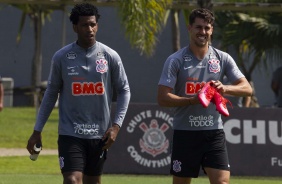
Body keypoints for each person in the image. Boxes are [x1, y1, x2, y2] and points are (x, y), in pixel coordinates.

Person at [26, 3, 130, 184]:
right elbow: (51, 94)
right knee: (72, 180)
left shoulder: (110, 56)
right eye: (84, 25)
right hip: (70, 134)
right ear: (75, 27)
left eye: (93, 24)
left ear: (97, 25)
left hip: (99, 135)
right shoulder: (62, 57)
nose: (89, 29)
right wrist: (37, 130)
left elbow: (124, 90)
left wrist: (116, 126)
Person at [157, 8, 252, 184]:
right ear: (189, 28)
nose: (203, 32)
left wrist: (224, 88)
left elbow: (247, 88)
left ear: (212, 30)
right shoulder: (176, 60)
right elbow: (162, 98)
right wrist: (192, 100)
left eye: (207, 28)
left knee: (222, 182)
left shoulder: (222, 58)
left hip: (213, 133)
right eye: (199, 28)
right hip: (185, 134)